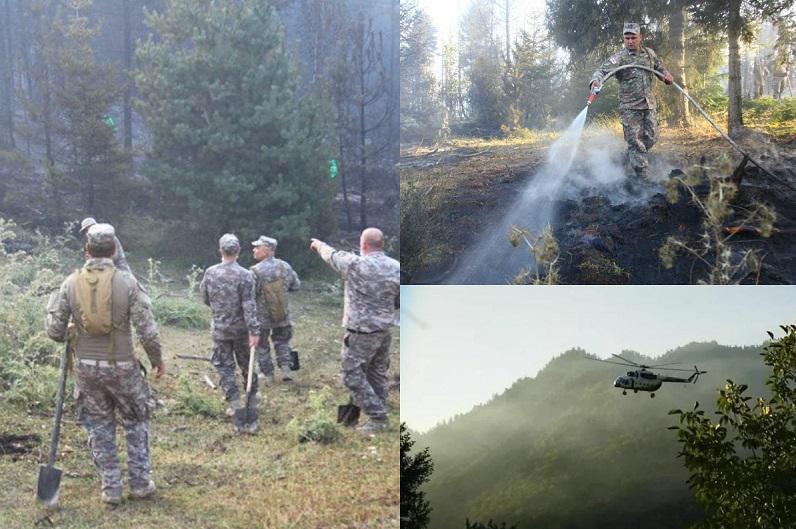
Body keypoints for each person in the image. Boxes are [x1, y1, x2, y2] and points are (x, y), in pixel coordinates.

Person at [46, 223, 164, 505]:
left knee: (99, 426)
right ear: (113, 250)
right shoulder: (127, 282)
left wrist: (53, 311)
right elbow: (148, 330)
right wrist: (157, 360)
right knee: (136, 421)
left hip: (87, 368)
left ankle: (110, 488)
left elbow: (55, 333)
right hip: (123, 365)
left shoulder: (70, 283)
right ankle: (140, 483)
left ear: (86, 249)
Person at [310, 228, 399, 433]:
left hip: (361, 331)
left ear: (363, 244)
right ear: (381, 244)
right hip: (384, 329)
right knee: (377, 373)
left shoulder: (355, 264)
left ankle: (378, 417)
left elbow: (331, 256)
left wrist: (318, 244)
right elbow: (399, 298)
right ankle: (380, 409)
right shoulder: (396, 267)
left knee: (351, 375)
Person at [589, 22, 673, 179]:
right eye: (626, 38)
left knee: (652, 138)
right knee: (635, 141)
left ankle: (631, 155)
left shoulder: (649, 54)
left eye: (633, 37)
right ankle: (642, 178)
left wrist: (666, 76)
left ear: (640, 37)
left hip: (648, 105)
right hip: (629, 107)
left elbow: (660, 69)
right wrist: (595, 81)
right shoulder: (619, 58)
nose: (629, 41)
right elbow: (601, 71)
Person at [199, 234, 260, 431]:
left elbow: (205, 298)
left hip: (220, 329)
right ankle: (252, 398)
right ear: (239, 251)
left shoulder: (210, 273)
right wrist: (254, 331)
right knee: (246, 364)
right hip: (242, 330)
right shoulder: (246, 275)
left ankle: (234, 402)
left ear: (220, 251)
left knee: (224, 365)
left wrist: (220, 310)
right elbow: (249, 305)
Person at [249, 235, 300, 384]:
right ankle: (286, 370)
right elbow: (296, 285)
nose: (254, 249)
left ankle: (268, 375)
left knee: (262, 345)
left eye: (258, 247)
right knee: (282, 342)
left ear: (268, 250)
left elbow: (250, 294)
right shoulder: (285, 266)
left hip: (262, 318)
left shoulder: (255, 271)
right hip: (282, 315)